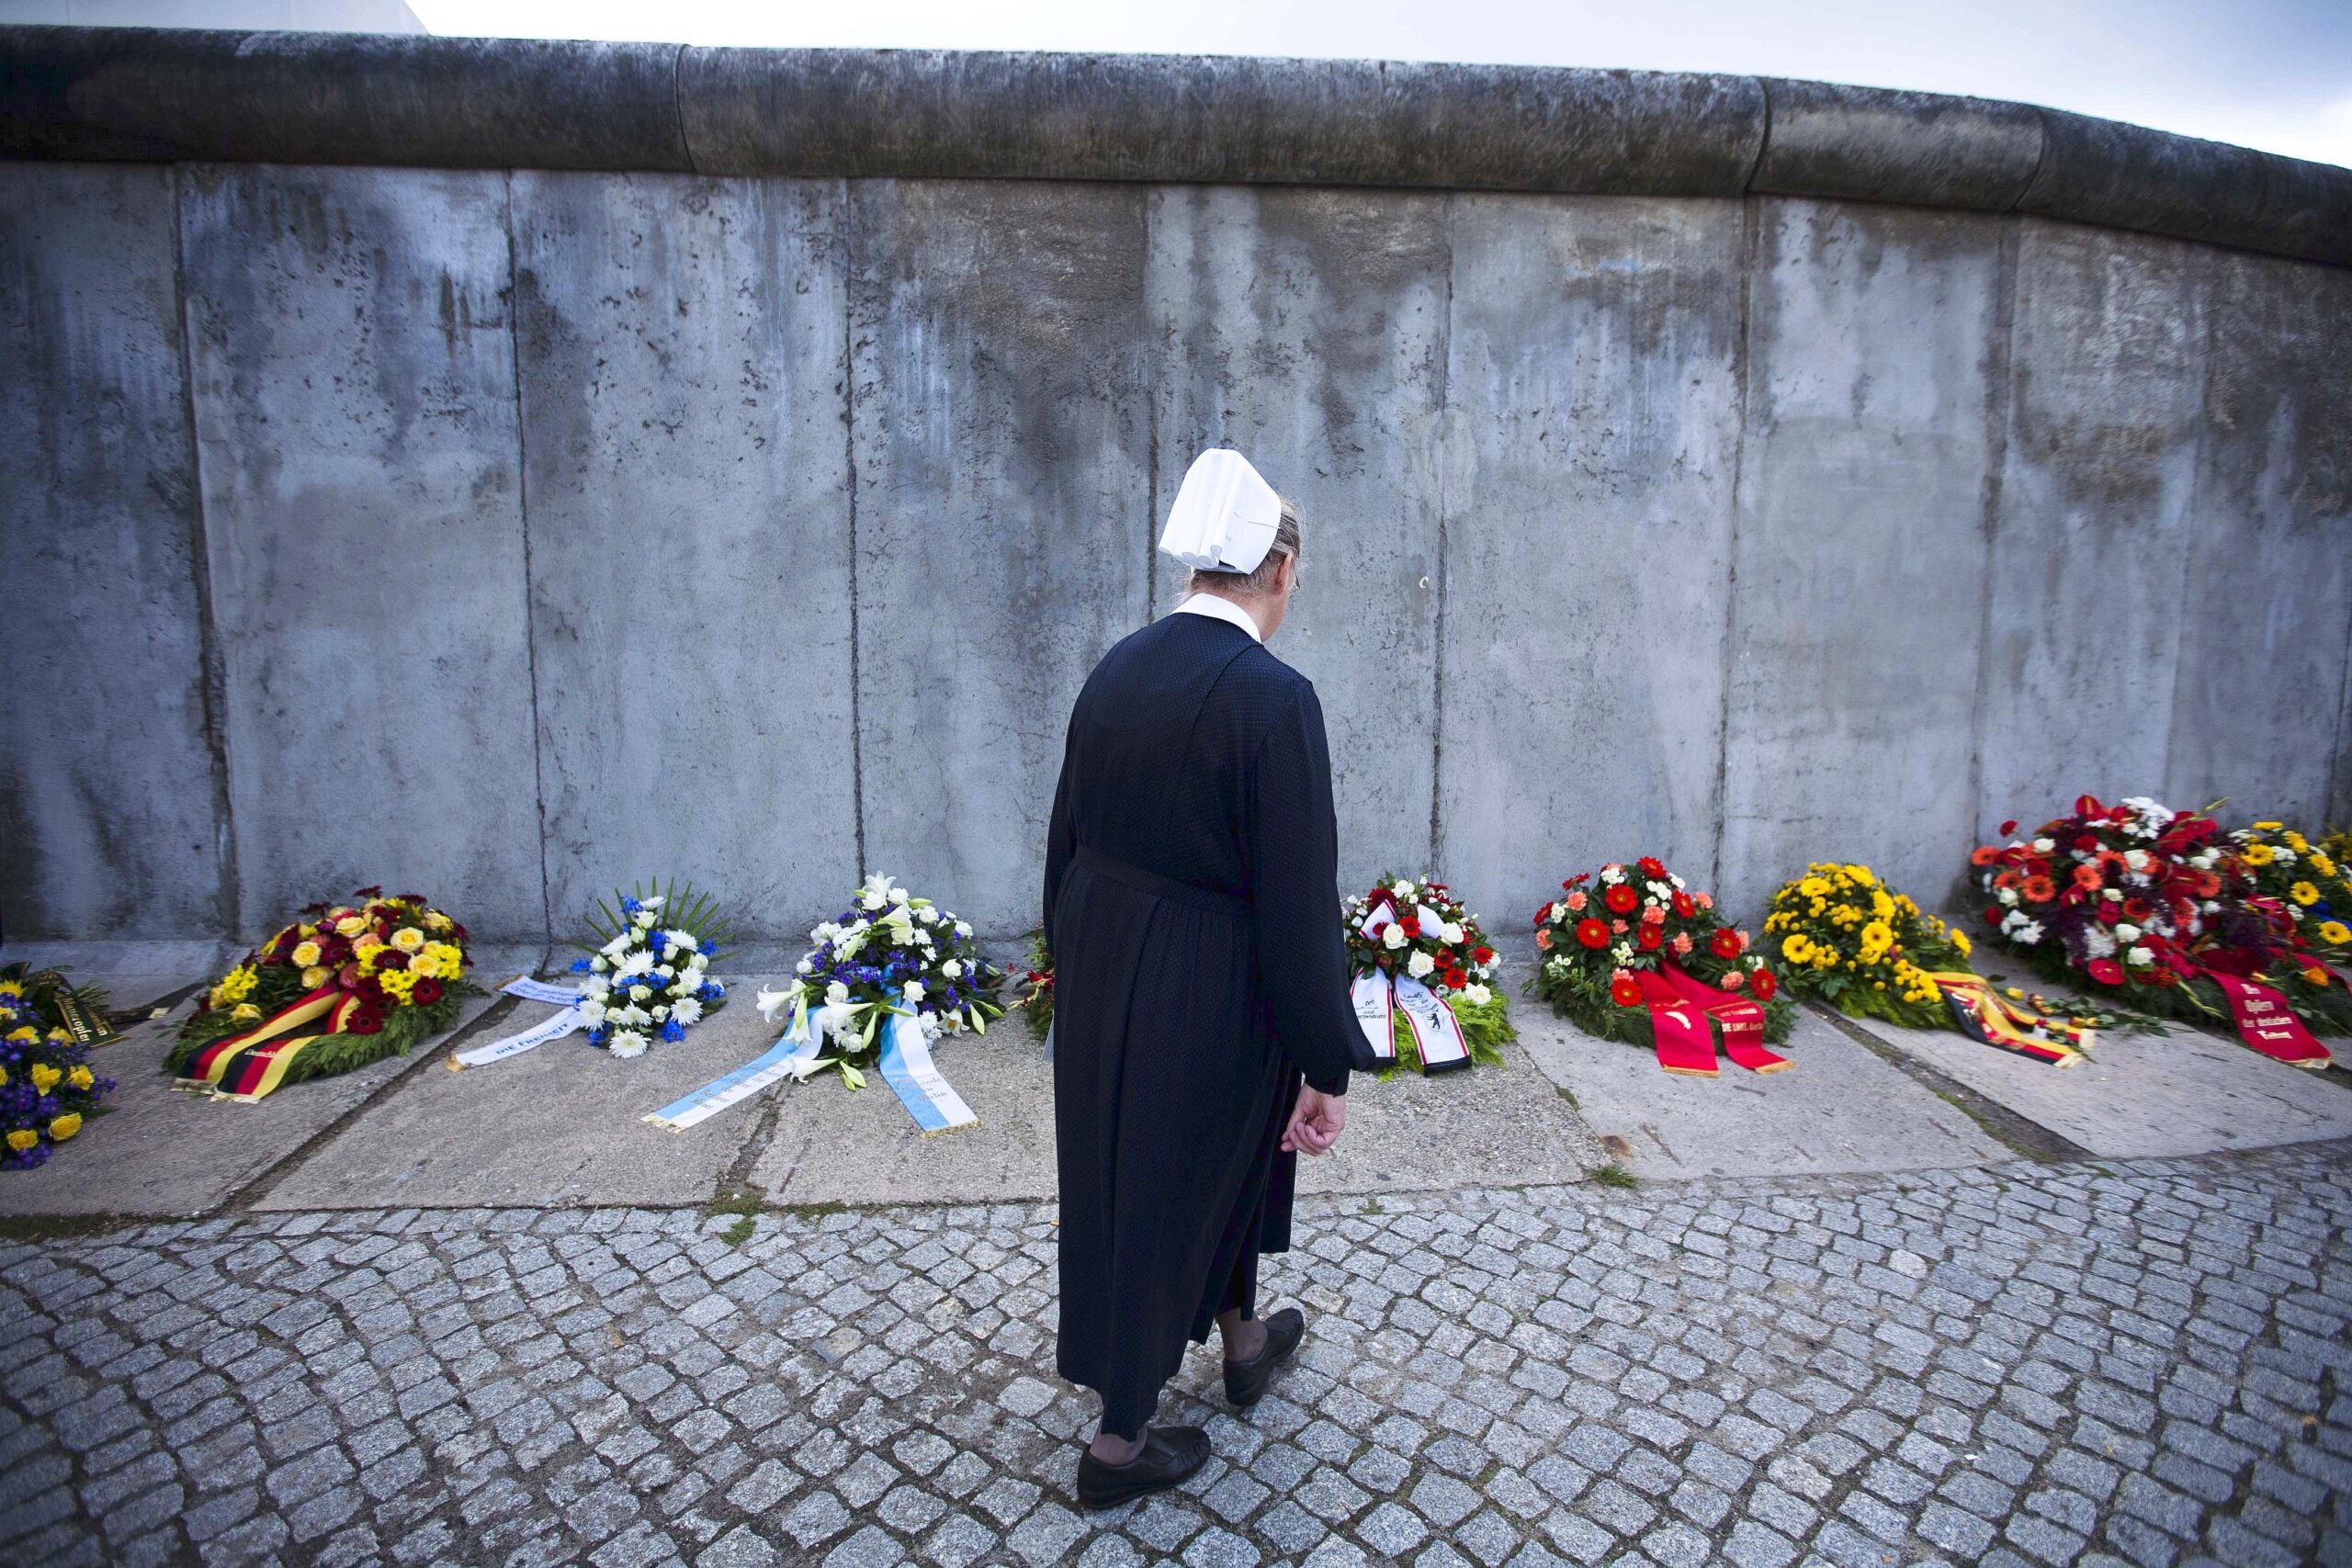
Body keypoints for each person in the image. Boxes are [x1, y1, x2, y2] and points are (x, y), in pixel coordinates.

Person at [1045, 448, 1373, 1509]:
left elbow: (1065, 841)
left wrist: (1076, 969)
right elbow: (1295, 893)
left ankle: (1240, 1341)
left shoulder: (1117, 665)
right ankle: (1118, 1445)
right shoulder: (1273, 699)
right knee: (1165, 1175)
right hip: (1212, 978)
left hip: (1108, 957)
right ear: (1278, 571)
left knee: (1177, 1160)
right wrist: (1324, 1056)